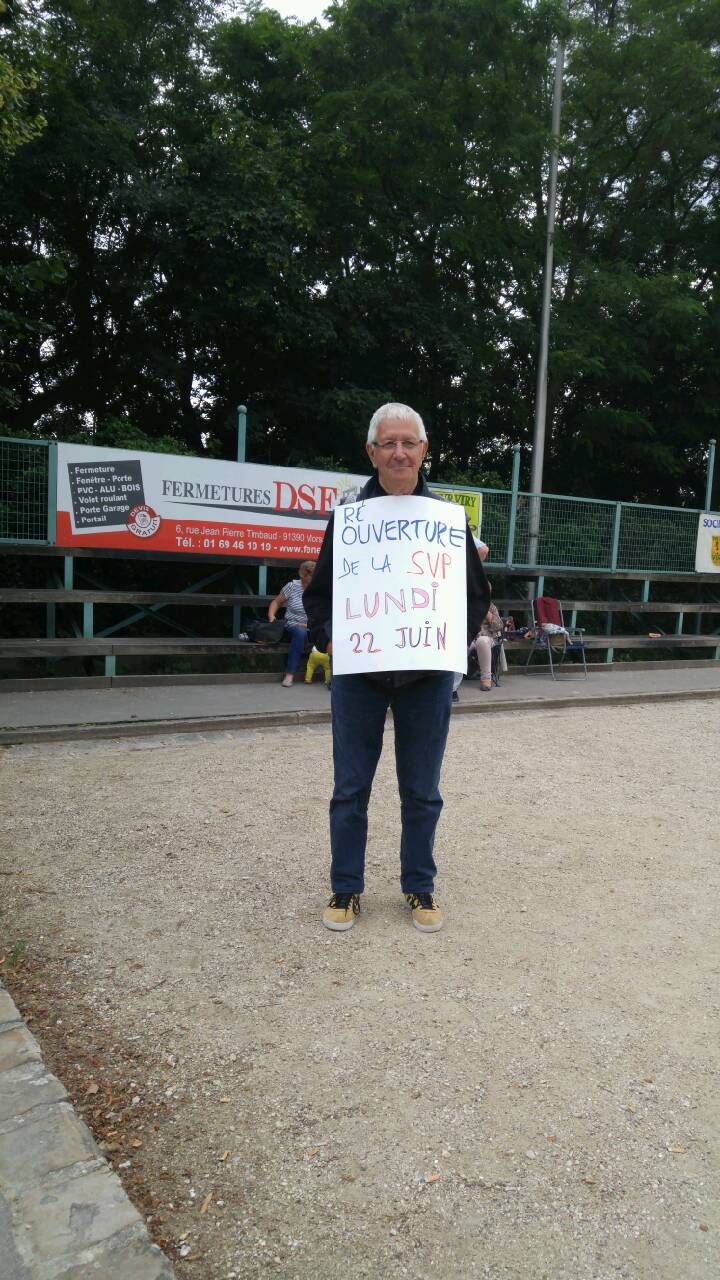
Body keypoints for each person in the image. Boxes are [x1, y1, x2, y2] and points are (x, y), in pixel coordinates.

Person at [304, 403, 489, 933]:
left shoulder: (449, 522)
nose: (400, 452)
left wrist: (451, 646)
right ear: (371, 452)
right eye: (389, 443)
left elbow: (477, 596)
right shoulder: (348, 520)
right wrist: (332, 640)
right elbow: (319, 597)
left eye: (409, 443)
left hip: (426, 676)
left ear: (425, 451)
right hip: (359, 674)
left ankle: (420, 886)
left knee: (422, 789)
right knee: (350, 788)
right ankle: (345, 889)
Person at [267, 560, 316, 687]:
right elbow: (276, 602)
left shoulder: (318, 588)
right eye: (309, 574)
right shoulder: (292, 586)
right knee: (300, 633)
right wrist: (272, 616)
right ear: (303, 575)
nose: (312, 577)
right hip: (292, 626)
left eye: (313, 574)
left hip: (313, 628)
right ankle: (290, 674)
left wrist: (309, 626)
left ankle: (335, 678)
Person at [470, 583, 503, 690]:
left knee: (482, 641)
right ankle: (452, 684)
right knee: (459, 643)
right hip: (470, 637)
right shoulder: (467, 605)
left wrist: (487, 613)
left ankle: (486, 679)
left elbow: (499, 626)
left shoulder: (491, 606)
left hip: (488, 638)